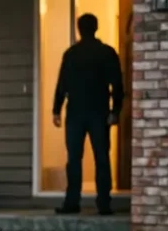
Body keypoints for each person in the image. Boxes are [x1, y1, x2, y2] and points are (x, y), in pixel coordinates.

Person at [52, 13, 125, 215]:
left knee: (74, 159)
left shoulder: (71, 54)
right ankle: (104, 203)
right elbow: (117, 84)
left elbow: (62, 84)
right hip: (99, 111)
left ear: (79, 29)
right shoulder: (107, 53)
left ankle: (72, 202)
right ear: (96, 28)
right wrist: (115, 111)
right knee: (102, 157)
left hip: (75, 112)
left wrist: (56, 109)